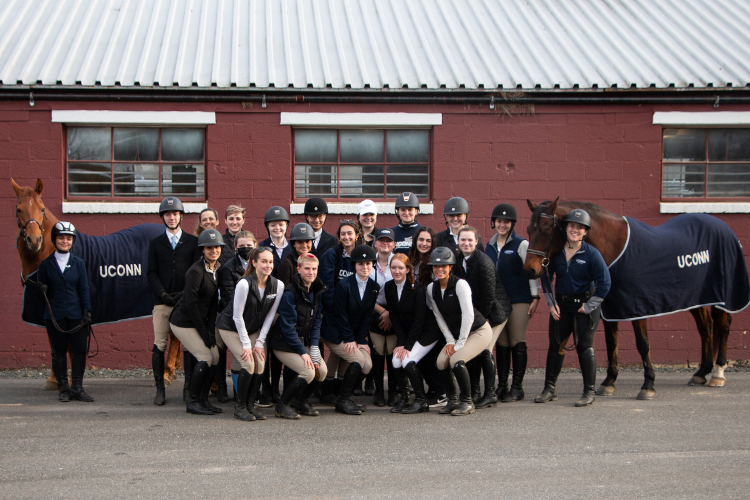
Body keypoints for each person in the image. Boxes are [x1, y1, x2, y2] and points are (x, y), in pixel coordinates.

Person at [535, 209, 611, 407]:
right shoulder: (556, 253)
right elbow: (545, 277)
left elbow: (605, 283)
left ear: (585, 231)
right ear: (566, 228)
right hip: (561, 305)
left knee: (584, 347)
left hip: (584, 307)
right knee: (555, 345)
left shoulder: (592, 254)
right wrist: (551, 304)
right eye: (572, 226)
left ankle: (589, 392)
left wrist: (590, 305)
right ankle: (549, 389)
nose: (575, 230)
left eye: (580, 227)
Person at [216, 247, 284, 421]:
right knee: (248, 363)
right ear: (254, 263)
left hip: (253, 329)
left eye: (270, 262)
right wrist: (247, 344)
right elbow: (236, 316)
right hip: (230, 327)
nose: (268, 265)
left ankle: (250, 406)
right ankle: (239, 407)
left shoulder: (278, 285)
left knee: (260, 364)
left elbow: (270, 316)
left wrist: (260, 342)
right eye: (264, 261)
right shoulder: (244, 283)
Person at [147, 196, 200, 406]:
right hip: (162, 301)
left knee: (187, 346)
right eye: (168, 214)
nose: (171, 217)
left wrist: (184, 294)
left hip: (184, 300)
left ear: (181, 216)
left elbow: (195, 271)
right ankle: (160, 389)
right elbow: (151, 272)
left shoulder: (192, 242)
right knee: (159, 344)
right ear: (163, 217)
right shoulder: (155, 243)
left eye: (175, 214)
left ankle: (187, 389)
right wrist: (162, 294)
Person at [427, 247, 493, 416]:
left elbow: (468, 315)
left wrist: (459, 344)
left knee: (456, 359)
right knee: (441, 362)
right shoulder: (431, 289)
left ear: (450, 267)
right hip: (456, 336)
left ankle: (467, 401)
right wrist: (450, 341)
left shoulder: (460, 284)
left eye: (444, 266)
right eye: (435, 266)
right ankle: (453, 400)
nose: (439, 269)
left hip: (478, 331)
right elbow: (438, 316)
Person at [484, 203, 540, 402]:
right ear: (494, 223)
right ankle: (502, 386)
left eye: (506, 222)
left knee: (517, 341)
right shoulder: (488, 245)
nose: (502, 224)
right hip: (498, 302)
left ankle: (517, 388)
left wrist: (535, 297)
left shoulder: (521, 244)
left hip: (518, 300)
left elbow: (532, 272)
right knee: (502, 343)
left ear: (512, 224)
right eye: (499, 221)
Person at [168, 229, 225, 415]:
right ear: (202, 249)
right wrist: (203, 332)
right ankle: (192, 401)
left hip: (198, 321)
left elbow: (210, 304)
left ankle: (203, 399)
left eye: (216, 247)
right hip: (183, 321)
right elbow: (191, 304)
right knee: (205, 357)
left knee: (215, 356)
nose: (213, 250)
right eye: (209, 248)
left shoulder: (216, 268)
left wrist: (209, 331)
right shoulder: (195, 271)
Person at [454, 227, 511, 409]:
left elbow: (488, 296)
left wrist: (480, 323)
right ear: (458, 241)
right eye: (463, 240)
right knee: (473, 351)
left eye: (470, 240)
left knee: (485, 350)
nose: (466, 243)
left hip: (493, 314)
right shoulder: (459, 260)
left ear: (476, 241)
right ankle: (475, 392)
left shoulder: (484, 262)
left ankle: (490, 394)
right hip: (476, 315)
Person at [37, 222, 93, 403]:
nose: (65, 241)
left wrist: (87, 311)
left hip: (76, 314)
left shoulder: (79, 263)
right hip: (55, 315)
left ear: (72, 241)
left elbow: (83, 289)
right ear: (54, 240)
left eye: (68, 238)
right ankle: (63, 388)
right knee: (58, 351)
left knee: (79, 350)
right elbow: (40, 293)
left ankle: (77, 387)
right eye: (61, 238)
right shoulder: (46, 265)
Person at [269, 253, 328, 419]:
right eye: (307, 268)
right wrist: (303, 352)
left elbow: (316, 321)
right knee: (308, 372)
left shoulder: (316, 290)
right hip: (283, 343)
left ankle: (301, 402)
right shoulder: (290, 293)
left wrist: (314, 347)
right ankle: (282, 406)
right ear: (299, 269)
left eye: (314, 269)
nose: (311, 272)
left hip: (303, 341)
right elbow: (288, 329)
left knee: (321, 371)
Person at [322, 245, 379, 415]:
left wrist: (361, 340)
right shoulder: (343, 285)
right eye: (360, 264)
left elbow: (367, 316)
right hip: (334, 331)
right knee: (358, 361)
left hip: (352, 335)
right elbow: (340, 314)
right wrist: (349, 339)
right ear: (354, 265)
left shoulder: (374, 286)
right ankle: (343, 400)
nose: (365, 267)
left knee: (368, 365)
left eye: (368, 264)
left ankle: (342, 396)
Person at [387, 254, 441, 414]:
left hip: (427, 332)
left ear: (408, 269)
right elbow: (394, 318)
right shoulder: (389, 287)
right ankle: (405, 398)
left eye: (400, 268)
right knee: (396, 360)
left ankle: (421, 400)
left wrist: (408, 346)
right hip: (409, 334)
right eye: (393, 267)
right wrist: (400, 343)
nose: (397, 271)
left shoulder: (417, 288)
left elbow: (419, 319)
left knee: (407, 360)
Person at [318, 220, 360, 404]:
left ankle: (339, 391)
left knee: (340, 353)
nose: (346, 237)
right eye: (343, 234)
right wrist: (339, 311)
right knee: (340, 349)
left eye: (350, 233)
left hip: (353, 315)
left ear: (357, 235)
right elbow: (327, 288)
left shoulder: (361, 255)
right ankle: (327, 391)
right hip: (333, 314)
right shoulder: (331, 255)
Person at [217, 230, 257, 402]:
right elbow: (229, 300)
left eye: (249, 245)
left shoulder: (260, 265)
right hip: (234, 320)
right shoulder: (227, 269)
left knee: (254, 356)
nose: (246, 249)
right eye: (242, 246)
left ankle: (251, 392)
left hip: (254, 319)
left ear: (256, 245)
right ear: (234, 247)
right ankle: (238, 392)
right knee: (239, 356)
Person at [407, 226, 445, 405]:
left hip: (432, 316)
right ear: (415, 241)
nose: (424, 243)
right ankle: (432, 390)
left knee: (431, 356)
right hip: (416, 317)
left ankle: (441, 391)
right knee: (421, 357)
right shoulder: (411, 261)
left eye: (428, 241)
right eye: (421, 240)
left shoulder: (435, 263)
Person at [258, 206, 291, 404]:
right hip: (264, 306)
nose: (277, 228)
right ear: (267, 227)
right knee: (264, 347)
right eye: (273, 225)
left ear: (286, 225)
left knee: (278, 350)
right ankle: (266, 388)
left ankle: (277, 389)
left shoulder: (291, 247)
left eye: (281, 224)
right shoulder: (261, 247)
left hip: (283, 308)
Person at [368, 228, 396, 407]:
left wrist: (391, 313)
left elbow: (405, 292)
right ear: (375, 243)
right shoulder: (368, 264)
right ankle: (379, 391)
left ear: (394, 244)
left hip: (396, 312)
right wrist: (382, 312)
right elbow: (363, 295)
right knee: (378, 351)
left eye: (389, 240)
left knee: (393, 352)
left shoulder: (400, 262)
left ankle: (393, 391)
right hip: (375, 311)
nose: (385, 243)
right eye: (381, 240)